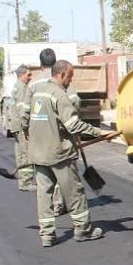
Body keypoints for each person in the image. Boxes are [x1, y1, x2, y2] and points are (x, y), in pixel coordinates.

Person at [27, 60, 109, 247]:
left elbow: (27, 122)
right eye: (70, 77)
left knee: (44, 195)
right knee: (74, 193)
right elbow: (74, 125)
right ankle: (83, 230)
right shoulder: (59, 95)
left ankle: (47, 235)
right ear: (61, 74)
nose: (71, 81)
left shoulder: (37, 92)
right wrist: (100, 132)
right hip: (59, 154)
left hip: (38, 153)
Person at [21, 48, 80, 216]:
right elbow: (75, 104)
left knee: (45, 175)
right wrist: (73, 125)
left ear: (40, 64)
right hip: (61, 135)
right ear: (56, 65)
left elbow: (25, 110)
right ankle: (61, 203)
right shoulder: (63, 81)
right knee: (63, 169)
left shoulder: (33, 84)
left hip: (40, 136)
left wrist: (26, 130)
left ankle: (49, 217)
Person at [11, 65, 35, 191]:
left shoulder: (16, 86)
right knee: (27, 153)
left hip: (15, 125)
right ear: (21, 75)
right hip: (21, 126)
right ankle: (26, 182)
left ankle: (22, 181)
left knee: (20, 153)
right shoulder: (22, 88)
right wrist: (26, 127)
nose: (30, 77)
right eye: (28, 75)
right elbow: (22, 110)